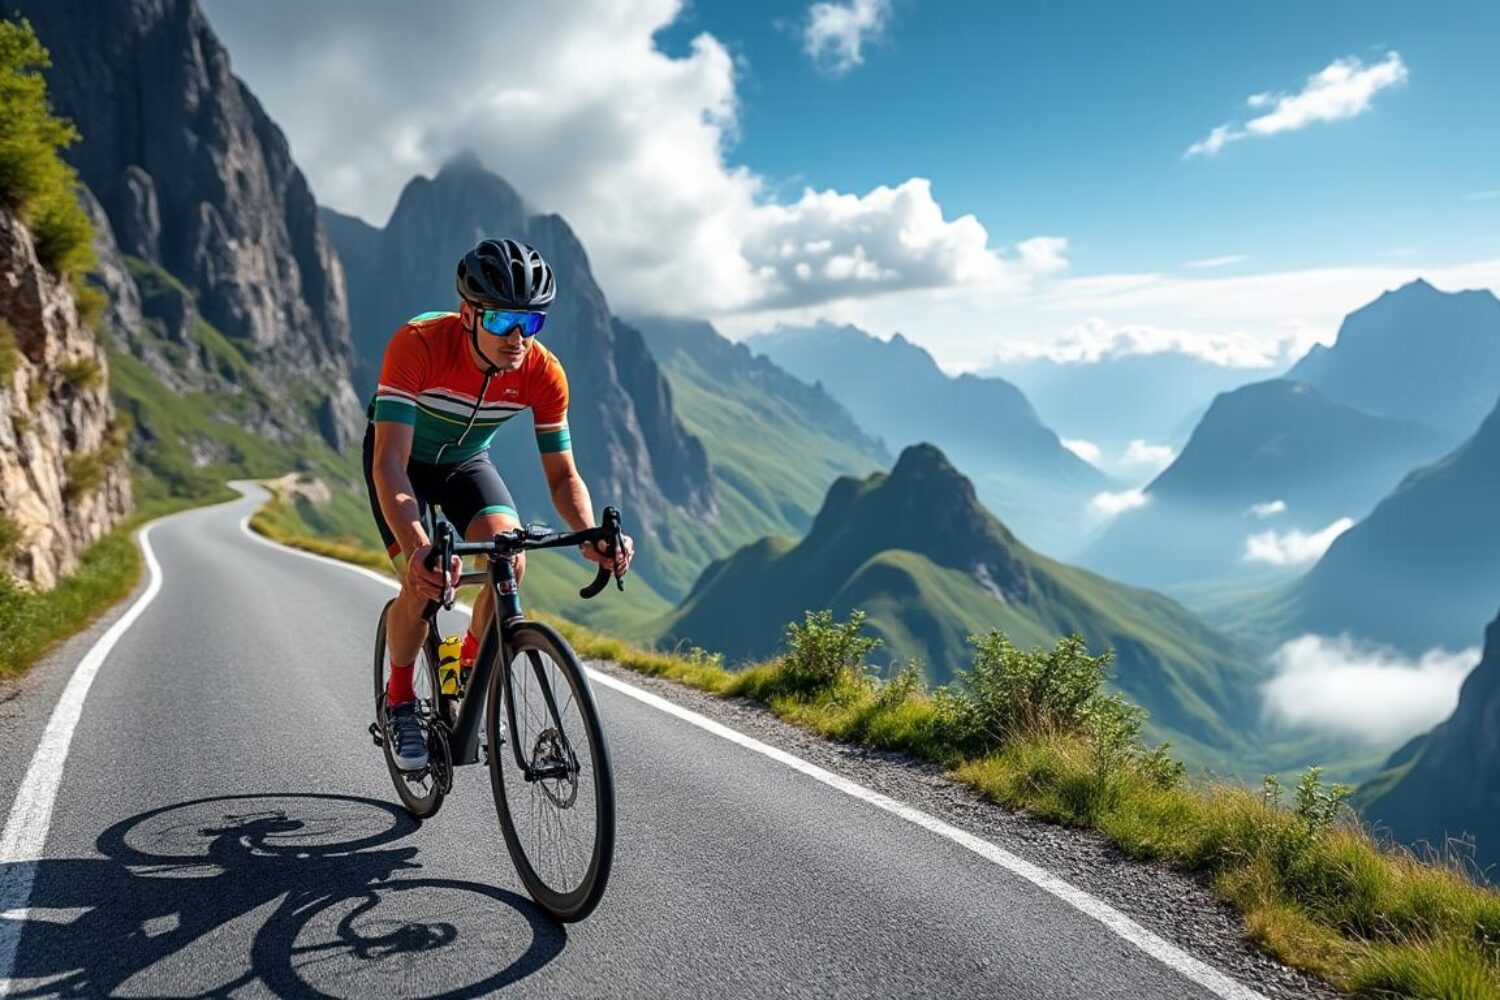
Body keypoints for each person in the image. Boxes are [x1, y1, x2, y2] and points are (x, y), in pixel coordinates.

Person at [363, 237, 634, 770]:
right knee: (425, 581)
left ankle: (467, 664)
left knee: (510, 555)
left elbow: (563, 476)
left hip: (467, 463)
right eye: (502, 321)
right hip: (402, 464)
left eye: (531, 323)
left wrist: (588, 533)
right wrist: (421, 548)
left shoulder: (543, 372)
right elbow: (389, 463)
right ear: (468, 315)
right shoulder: (417, 345)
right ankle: (399, 701)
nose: (517, 338)